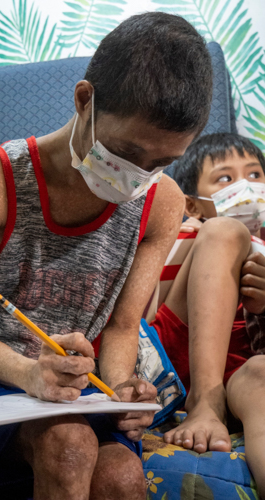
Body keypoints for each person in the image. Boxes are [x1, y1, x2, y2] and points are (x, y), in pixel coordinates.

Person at [0, 13, 213, 500]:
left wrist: (122, 389)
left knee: (121, 477)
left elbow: (124, 328)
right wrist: (29, 374)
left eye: (161, 163)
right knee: (69, 444)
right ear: (84, 100)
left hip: (79, 388)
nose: (136, 176)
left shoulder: (162, 201)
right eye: (126, 151)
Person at [149, 133, 265, 497]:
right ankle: (203, 401)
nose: (247, 186)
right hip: (179, 348)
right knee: (226, 230)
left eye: (256, 175)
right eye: (225, 178)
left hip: (242, 371)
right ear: (193, 204)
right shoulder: (180, 233)